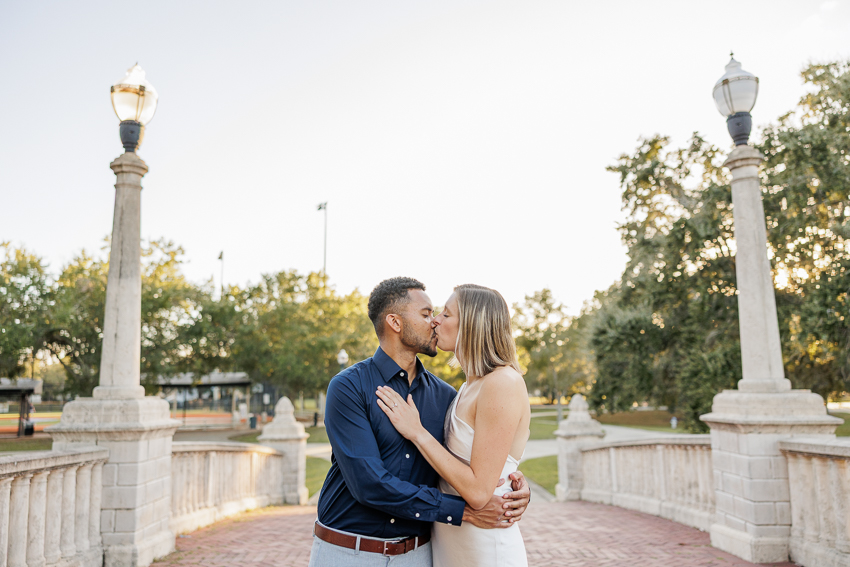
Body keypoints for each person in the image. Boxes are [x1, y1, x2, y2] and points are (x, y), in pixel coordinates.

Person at [309, 277, 530, 567]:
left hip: (422, 554)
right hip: (349, 552)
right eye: (427, 314)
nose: (435, 321)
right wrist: (462, 511)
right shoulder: (349, 387)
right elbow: (369, 484)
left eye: (442, 314)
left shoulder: (446, 395)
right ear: (395, 323)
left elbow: (479, 464)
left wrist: (513, 487)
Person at [376, 284, 530, 567]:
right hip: (450, 541)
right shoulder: (467, 387)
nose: (435, 320)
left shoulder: (502, 383)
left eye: (446, 314)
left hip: (484, 546)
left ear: (472, 324)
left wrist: (417, 432)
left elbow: (479, 493)